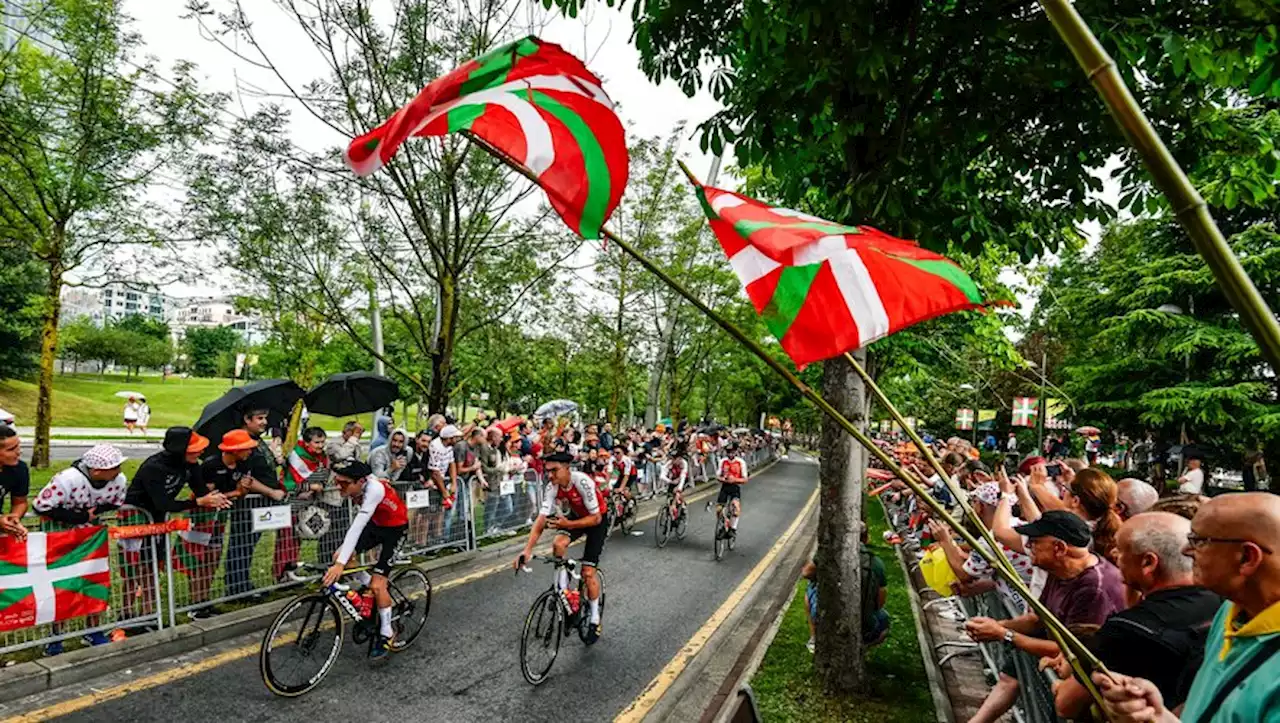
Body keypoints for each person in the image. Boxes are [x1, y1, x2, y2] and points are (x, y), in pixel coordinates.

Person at [1092, 493, 1280, 723]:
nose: (1185, 551)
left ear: (1247, 558)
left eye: (1199, 541)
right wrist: (1157, 715)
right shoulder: (1230, 612)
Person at [1050, 512, 1221, 719]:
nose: (1113, 553)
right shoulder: (1222, 603)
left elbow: (1066, 704)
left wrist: (1058, 685)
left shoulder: (1126, 631)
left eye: (1121, 550)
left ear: (1148, 562)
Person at [965, 510, 1127, 723]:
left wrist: (1004, 634)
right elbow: (1039, 618)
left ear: (1059, 548)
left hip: (1087, 698)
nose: (1028, 546)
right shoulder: (1059, 571)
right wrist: (995, 625)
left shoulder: (1093, 590)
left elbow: (1074, 652)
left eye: (1034, 541)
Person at [34, 444, 129, 655]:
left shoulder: (118, 481)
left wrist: (95, 513)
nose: (119, 471)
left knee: (93, 582)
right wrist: (80, 517)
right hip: (61, 537)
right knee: (61, 586)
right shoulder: (67, 479)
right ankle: (55, 636)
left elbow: (116, 502)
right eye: (115, 467)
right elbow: (41, 506)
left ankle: (93, 629)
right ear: (97, 471)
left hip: (91, 538)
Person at [514, 449, 607, 643]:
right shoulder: (553, 486)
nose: (550, 475)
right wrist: (527, 550)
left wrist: (568, 525)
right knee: (558, 543)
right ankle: (563, 591)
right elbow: (541, 520)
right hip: (576, 517)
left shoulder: (582, 481)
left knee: (588, 573)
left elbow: (596, 517)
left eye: (554, 470)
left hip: (597, 520)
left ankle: (595, 618)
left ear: (566, 469)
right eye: (548, 471)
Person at [322, 460, 409, 661]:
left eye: (344, 483)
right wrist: (341, 560)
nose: (339, 486)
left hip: (395, 530)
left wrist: (340, 566)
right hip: (377, 525)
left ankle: (386, 633)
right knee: (339, 555)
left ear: (360, 481)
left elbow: (357, 525)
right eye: (337, 481)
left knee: (379, 586)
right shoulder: (359, 484)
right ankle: (367, 585)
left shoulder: (375, 490)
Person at [224, 410, 288, 599]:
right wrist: (271, 492)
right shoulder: (242, 444)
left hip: (263, 503)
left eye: (265, 418)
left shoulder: (257, 441)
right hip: (250, 503)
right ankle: (237, 587)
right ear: (246, 419)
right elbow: (247, 478)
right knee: (241, 543)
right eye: (260, 418)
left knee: (250, 545)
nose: (264, 422)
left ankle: (243, 583)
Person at [802, 521, 888, 655]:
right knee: (884, 620)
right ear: (866, 538)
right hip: (863, 622)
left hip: (827, 617)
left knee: (810, 589)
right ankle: (861, 647)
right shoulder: (875, 563)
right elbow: (880, 602)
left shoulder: (828, 553)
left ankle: (815, 639)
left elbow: (806, 573)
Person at [0, 426, 30, 539]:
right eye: (11, 449)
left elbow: (20, 502)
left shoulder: (19, 469)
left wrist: (13, 520)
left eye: (18, 446)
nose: (18, 452)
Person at [715, 442, 749, 540]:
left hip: (735, 487)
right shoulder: (723, 461)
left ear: (736, 452)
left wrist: (734, 480)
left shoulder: (740, 462)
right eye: (728, 452)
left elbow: (745, 479)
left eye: (732, 452)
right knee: (719, 509)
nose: (730, 454)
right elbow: (717, 475)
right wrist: (723, 479)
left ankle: (733, 528)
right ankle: (722, 525)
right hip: (725, 487)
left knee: (735, 507)